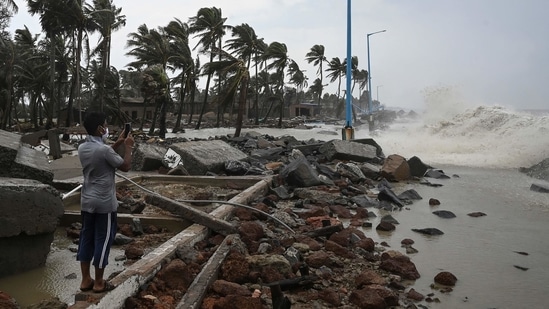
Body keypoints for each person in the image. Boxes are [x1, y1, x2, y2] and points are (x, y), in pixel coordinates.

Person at [77, 111, 134, 293]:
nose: (107, 128)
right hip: (105, 204)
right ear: (100, 128)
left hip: (87, 201)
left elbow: (104, 153)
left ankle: (86, 280)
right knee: (103, 239)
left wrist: (118, 142)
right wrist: (129, 147)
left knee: (86, 238)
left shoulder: (82, 148)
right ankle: (100, 281)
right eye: (106, 125)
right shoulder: (104, 150)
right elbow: (125, 166)